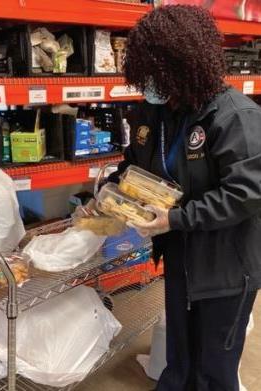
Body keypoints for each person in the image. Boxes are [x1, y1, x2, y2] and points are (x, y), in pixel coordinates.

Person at [108, 5, 261, 390]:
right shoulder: (153, 112)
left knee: (214, 367)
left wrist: (175, 219)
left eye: (159, 72)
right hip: (179, 256)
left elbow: (246, 194)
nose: (151, 83)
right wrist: (109, 190)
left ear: (187, 64)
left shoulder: (234, 117)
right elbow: (134, 165)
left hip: (227, 265)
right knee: (180, 355)